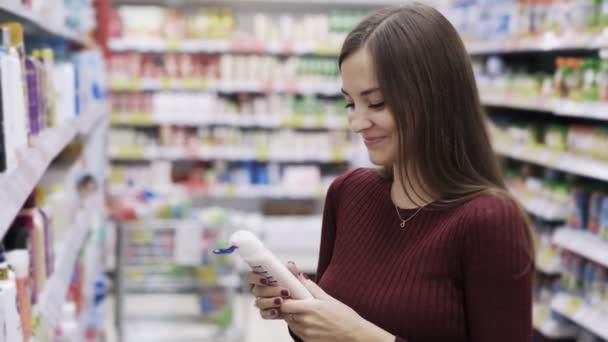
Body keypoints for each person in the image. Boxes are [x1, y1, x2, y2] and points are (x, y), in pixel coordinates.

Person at [248, 3, 534, 341]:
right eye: (350, 103)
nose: (356, 123)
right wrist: (302, 312)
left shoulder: (489, 220)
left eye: (377, 103)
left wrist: (360, 335)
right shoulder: (348, 193)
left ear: (434, 96)